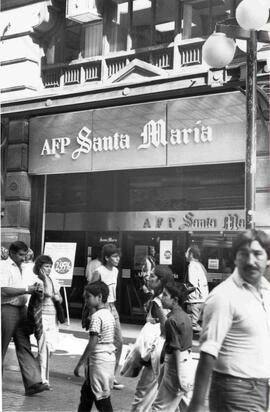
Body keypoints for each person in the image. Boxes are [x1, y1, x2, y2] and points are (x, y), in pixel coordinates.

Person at [187, 229, 270, 412]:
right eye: (243, 254)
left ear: (268, 259)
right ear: (235, 259)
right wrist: (197, 404)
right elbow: (208, 352)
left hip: (261, 388)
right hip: (235, 389)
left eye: (257, 254)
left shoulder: (266, 291)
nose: (250, 261)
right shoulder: (224, 296)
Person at [0, 241, 48, 396]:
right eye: (20, 255)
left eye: (25, 254)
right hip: (7, 309)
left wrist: (35, 289)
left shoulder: (26, 267)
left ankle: (33, 383)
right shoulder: (4, 266)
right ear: (12, 253)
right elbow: (4, 290)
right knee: (2, 347)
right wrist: (27, 290)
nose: (23, 258)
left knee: (24, 345)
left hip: (22, 309)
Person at [131, 265, 175, 412]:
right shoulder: (165, 297)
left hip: (156, 352)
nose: (148, 277)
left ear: (160, 280)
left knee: (142, 394)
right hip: (164, 353)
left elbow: (165, 327)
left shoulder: (158, 301)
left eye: (152, 276)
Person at [74, 281, 116, 412]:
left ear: (99, 297)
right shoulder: (109, 314)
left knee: (102, 400)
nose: (85, 300)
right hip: (107, 359)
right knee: (87, 395)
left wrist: (80, 363)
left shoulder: (97, 317)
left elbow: (93, 341)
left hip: (98, 362)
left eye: (88, 297)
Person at [151, 282, 193, 412]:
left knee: (159, 407)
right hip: (185, 364)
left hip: (175, 367)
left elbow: (176, 350)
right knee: (185, 406)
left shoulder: (171, 321)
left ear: (175, 300)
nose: (162, 297)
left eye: (165, 295)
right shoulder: (186, 317)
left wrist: (179, 377)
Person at [90, 243, 124, 390]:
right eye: (115, 256)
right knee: (99, 342)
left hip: (113, 307)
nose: (118, 259)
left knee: (119, 342)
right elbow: (90, 291)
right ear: (107, 257)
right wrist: (93, 314)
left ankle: (111, 375)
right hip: (101, 309)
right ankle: (92, 371)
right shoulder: (99, 271)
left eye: (118, 256)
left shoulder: (116, 271)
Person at [32, 254, 62, 389]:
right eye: (46, 266)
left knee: (50, 349)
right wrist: (44, 278)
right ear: (39, 267)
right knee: (44, 348)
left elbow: (59, 298)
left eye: (50, 266)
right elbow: (48, 294)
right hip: (42, 317)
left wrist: (56, 295)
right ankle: (43, 379)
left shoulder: (53, 280)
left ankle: (34, 372)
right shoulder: (38, 281)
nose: (49, 269)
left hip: (53, 318)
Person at [184, 245, 209, 333]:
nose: (185, 254)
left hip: (194, 301)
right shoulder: (200, 265)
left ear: (191, 254)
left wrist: (182, 293)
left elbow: (193, 285)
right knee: (196, 326)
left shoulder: (192, 265)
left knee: (191, 327)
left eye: (186, 252)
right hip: (202, 300)